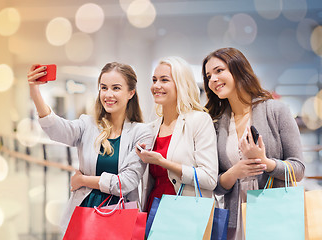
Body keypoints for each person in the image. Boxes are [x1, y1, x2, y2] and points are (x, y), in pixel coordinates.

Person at [27, 62, 153, 232]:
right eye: (104, 88)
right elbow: (57, 130)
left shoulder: (142, 132)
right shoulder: (87, 124)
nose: (108, 94)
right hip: (85, 212)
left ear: (131, 93)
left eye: (116, 88)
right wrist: (35, 92)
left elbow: (126, 182)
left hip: (119, 217)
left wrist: (83, 180)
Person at [202, 47, 305, 240]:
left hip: (274, 213)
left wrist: (266, 162)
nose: (213, 79)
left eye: (219, 70)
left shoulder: (276, 111)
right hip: (234, 217)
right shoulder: (216, 123)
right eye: (208, 76)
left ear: (238, 69)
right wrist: (235, 172)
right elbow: (215, 183)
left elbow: (298, 169)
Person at [138, 56, 218, 213]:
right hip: (154, 210)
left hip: (186, 214)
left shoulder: (199, 120)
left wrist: (164, 163)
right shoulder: (151, 129)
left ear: (181, 84)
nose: (156, 86)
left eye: (164, 80)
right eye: (154, 80)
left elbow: (209, 178)